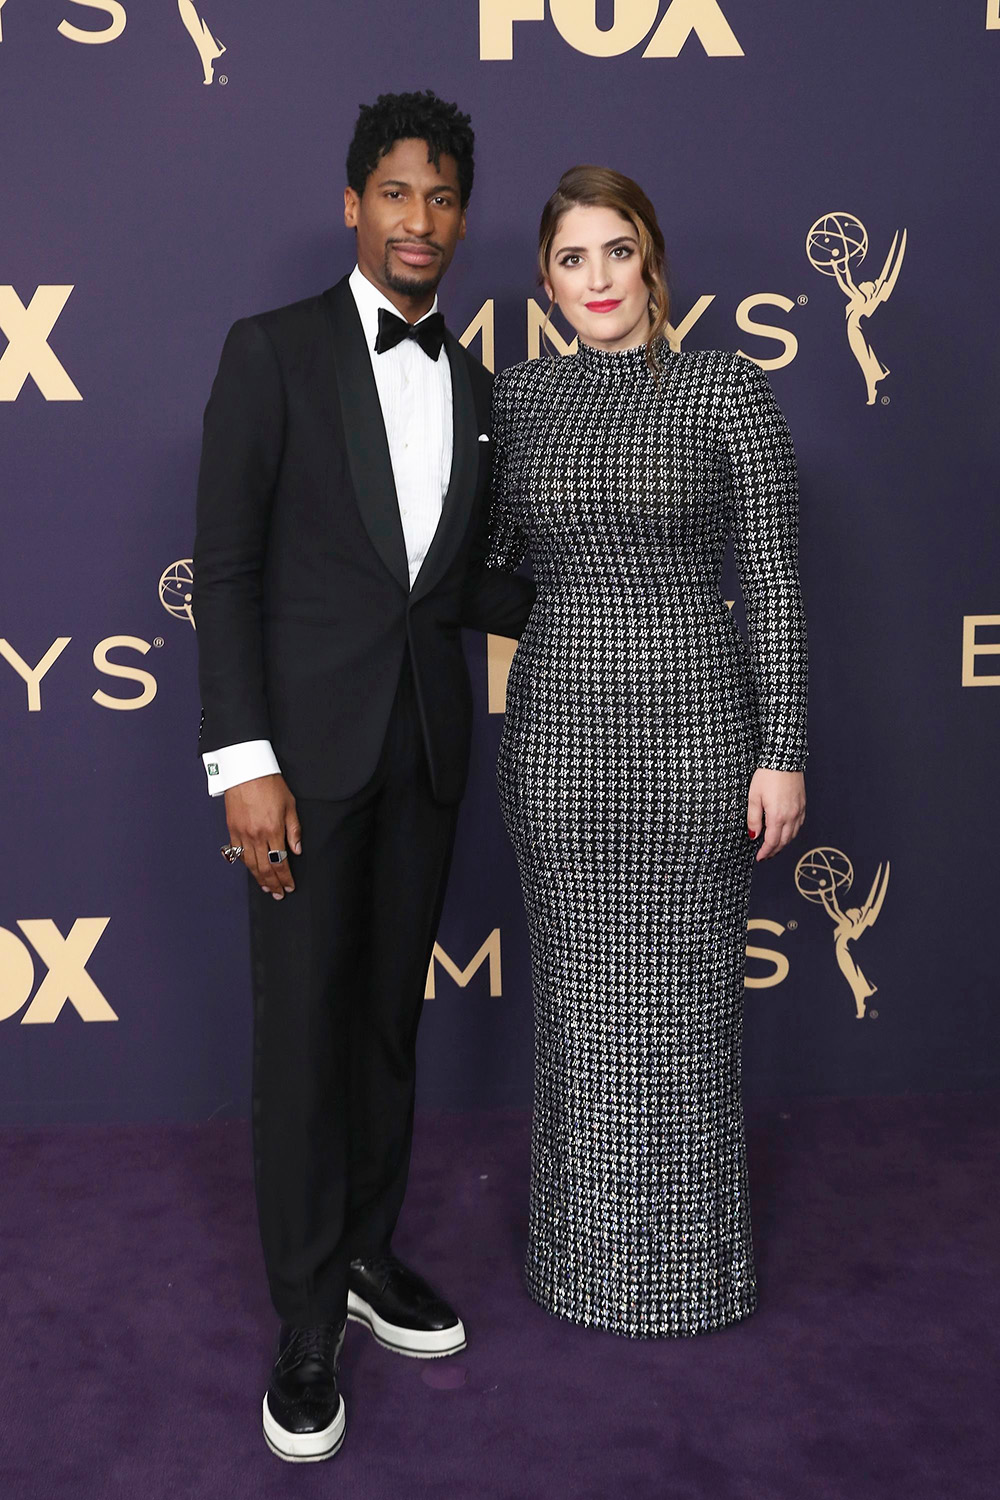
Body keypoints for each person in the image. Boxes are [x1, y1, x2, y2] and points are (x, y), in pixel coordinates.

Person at [192, 91, 534, 1462]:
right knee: (301, 1039)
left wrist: (635, 585)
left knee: (388, 1024)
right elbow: (226, 571)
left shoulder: (476, 384)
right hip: (299, 766)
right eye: (397, 192)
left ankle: (370, 1258)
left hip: (426, 755)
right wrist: (243, 761)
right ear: (354, 204)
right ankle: (302, 1317)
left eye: (444, 197)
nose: (421, 219)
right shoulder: (270, 354)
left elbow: (466, 591)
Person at [486, 166, 808, 1338]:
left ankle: (691, 1270)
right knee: (579, 1008)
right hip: (560, 738)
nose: (596, 279)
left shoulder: (725, 386)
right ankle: (578, 1265)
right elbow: (483, 564)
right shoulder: (518, 401)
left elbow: (770, 583)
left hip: (694, 734)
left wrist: (782, 751)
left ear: (651, 260)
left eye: (615, 251)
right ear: (545, 281)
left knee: (686, 1008)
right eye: (571, 259)